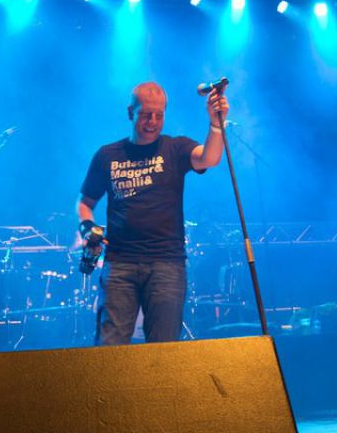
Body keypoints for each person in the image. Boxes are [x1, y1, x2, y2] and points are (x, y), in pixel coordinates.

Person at [77, 81, 228, 345]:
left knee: (164, 350)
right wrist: (87, 227)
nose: (153, 122)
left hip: (166, 264)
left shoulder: (176, 148)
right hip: (119, 263)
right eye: (146, 115)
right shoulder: (107, 155)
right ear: (130, 112)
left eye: (159, 115)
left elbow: (209, 158)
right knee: (109, 350)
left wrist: (216, 124)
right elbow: (84, 202)